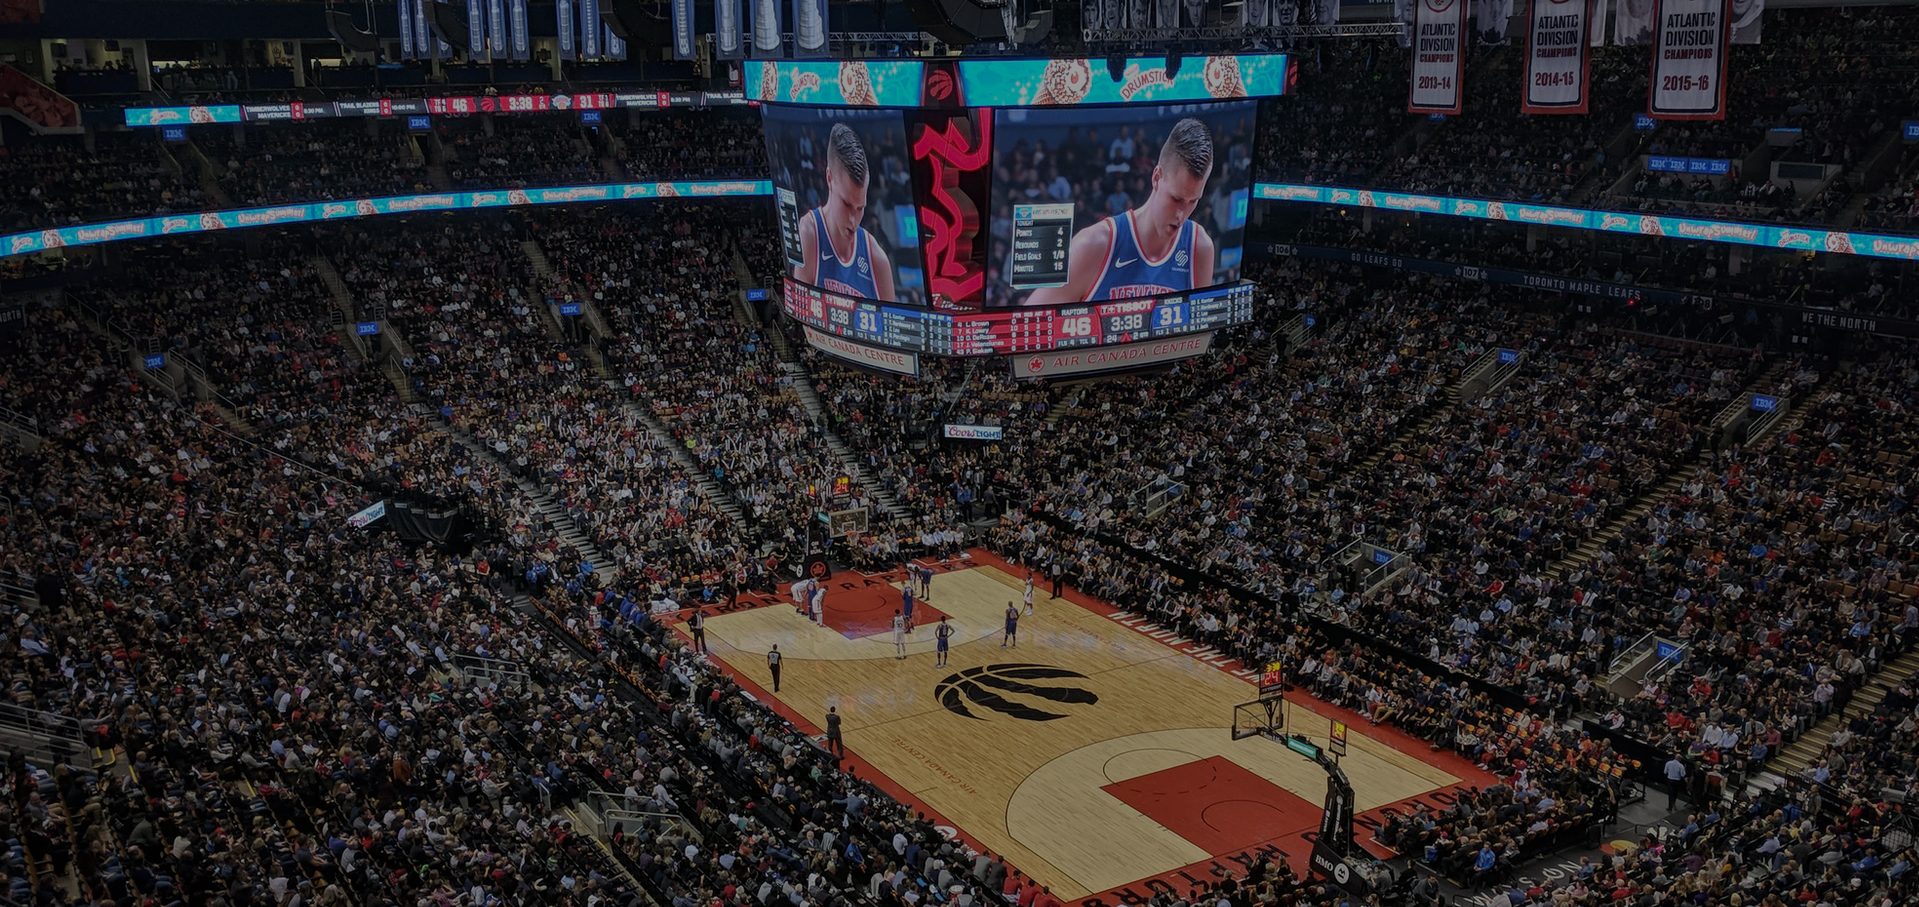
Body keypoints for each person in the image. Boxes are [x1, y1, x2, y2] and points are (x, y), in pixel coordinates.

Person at [1024, 118, 1218, 305]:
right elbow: (1029, 321)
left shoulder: (1199, 248)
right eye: (1176, 199)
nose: (1181, 215)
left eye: (1193, 201)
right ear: (1156, 177)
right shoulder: (1092, 246)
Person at [794, 123, 896, 301]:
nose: (853, 220)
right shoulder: (809, 233)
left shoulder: (878, 260)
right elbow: (799, 313)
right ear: (829, 178)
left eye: (860, 208)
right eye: (847, 204)